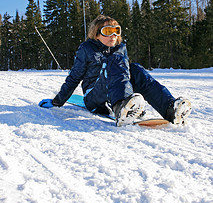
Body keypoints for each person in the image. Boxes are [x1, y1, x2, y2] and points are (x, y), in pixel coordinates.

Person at [39, 15, 192, 126]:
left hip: (116, 93)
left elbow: (124, 76)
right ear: (97, 34)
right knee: (112, 63)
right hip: (94, 97)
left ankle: (169, 108)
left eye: (116, 30)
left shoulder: (120, 49)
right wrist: (57, 101)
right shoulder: (87, 49)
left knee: (135, 69)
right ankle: (121, 108)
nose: (113, 35)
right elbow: (74, 77)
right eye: (108, 31)